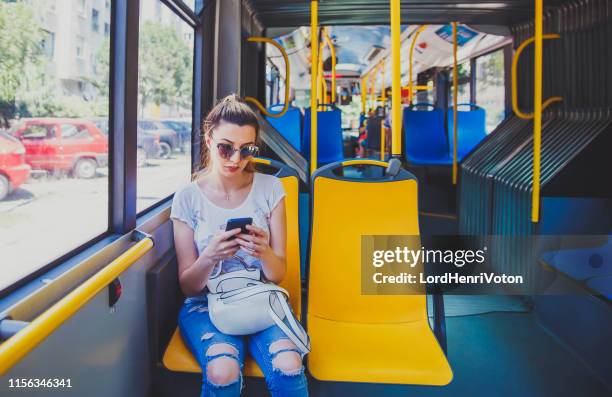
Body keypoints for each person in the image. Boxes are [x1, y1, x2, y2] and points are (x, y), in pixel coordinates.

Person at [170, 94, 309, 397]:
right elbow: (189, 287)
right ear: (208, 140)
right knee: (222, 371)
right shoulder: (187, 198)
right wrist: (210, 256)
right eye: (225, 148)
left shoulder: (272, 189)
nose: (236, 159)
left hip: (259, 296)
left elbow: (278, 274)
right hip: (205, 304)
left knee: (289, 365)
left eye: (246, 150)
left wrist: (265, 252)